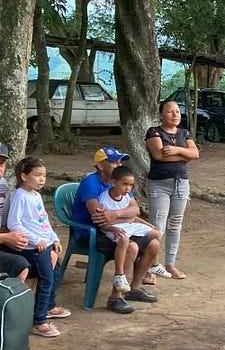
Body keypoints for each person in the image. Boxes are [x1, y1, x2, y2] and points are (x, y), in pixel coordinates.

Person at [72, 147, 162, 314]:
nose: (118, 165)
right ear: (100, 165)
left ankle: (134, 289)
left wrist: (117, 214)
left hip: (120, 228)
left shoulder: (122, 182)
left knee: (154, 244)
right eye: (113, 162)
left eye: (120, 161)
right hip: (92, 232)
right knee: (132, 247)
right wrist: (124, 216)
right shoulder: (91, 183)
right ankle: (115, 297)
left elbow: (135, 210)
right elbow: (100, 218)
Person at [6, 157, 69, 337]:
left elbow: (43, 221)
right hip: (34, 247)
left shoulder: (36, 195)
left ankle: (48, 306)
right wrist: (34, 239)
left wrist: (54, 238)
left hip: (46, 243)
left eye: (44, 175)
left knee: (56, 271)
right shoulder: (20, 196)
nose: (42, 179)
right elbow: (14, 223)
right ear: (24, 176)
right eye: (37, 175)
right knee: (46, 279)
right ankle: (39, 321)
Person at [145, 99, 200, 281]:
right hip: (159, 185)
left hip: (181, 184)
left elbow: (196, 154)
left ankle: (170, 264)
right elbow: (159, 155)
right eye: (170, 111)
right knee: (157, 227)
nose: (175, 115)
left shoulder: (185, 133)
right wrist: (184, 154)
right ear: (161, 115)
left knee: (175, 225)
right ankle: (151, 267)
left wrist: (175, 149)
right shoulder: (154, 132)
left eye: (177, 111)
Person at [98, 165, 166, 294]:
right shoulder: (104, 199)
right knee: (127, 243)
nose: (128, 188)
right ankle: (119, 275)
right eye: (124, 184)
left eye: (130, 185)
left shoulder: (127, 196)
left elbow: (135, 213)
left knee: (156, 234)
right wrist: (119, 222)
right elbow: (104, 222)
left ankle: (154, 266)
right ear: (113, 182)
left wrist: (146, 223)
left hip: (129, 226)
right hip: (113, 230)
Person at [0, 143, 30, 281]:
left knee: (46, 255)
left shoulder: (3, 185)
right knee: (20, 265)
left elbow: (5, 224)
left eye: (1, 163)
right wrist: (5, 238)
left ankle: (40, 303)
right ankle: (12, 302)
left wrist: (17, 237)